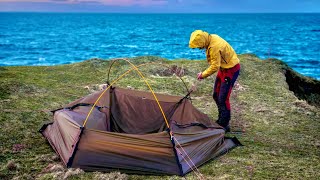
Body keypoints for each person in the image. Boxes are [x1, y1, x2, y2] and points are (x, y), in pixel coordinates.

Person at [189, 30, 240, 132]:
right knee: (216, 95)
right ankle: (221, 119)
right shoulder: (211, 37)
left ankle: (224, 124)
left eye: (199, 46)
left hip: (230, 70)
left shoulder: (214, 47)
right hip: (223, 69)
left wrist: (202, 75)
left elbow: (214, 66)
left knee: (223, 98)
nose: (199, 48)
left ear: (202, 41)